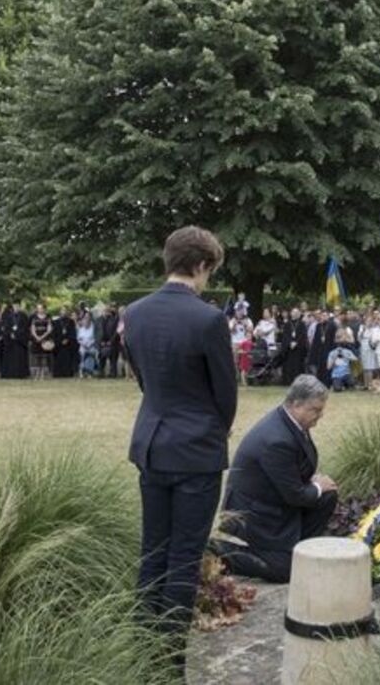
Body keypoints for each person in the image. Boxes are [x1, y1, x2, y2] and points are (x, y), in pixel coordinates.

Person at [126, 226, 237, 673]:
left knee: (153, 550)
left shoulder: (134, 312)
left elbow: (142, 378)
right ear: (201, 265)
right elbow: (225, 394)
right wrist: (214, 430)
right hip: (195, 450)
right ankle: (169, 664)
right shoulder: (208, 318)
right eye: (211, 271)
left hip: (152, 442)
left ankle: (140, 651)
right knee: (184, 559)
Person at [215, 375, 337, 582]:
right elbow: (295, 496)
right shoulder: (277, 439)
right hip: (255, 514)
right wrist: (315, 486)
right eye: (315, 410)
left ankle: (299, 550)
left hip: (275, 502)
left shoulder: (290, 422)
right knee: (284, 571)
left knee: (327, 496)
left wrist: (314, 485)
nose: (321, 415)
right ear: (296, 404)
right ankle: (218, 551)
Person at [28, 303, 53, 380]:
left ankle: (43, 374)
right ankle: (37, 374)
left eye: (41, 308)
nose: (39, 309)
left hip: (45, 340)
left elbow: (49, 329)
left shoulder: (48, 317)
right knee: (36, 357)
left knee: (43, 357)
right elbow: (32, 328)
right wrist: (36, 337)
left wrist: (42, 337)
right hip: (36, 340)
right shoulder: (34, 317)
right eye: (38, 308)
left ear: (44, 309)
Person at [78, 311, 99, 377]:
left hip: (91, 346)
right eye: (85, 320)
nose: (86, 322)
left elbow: (95, 338)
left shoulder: (93, 328)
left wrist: (90, 344)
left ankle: (90, 372)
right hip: (83, 346)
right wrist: (83, 344)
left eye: (87, 319)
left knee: (92, 354)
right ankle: (82, 371)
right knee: (82, 354)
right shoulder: (81, 329)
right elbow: (79, 339)